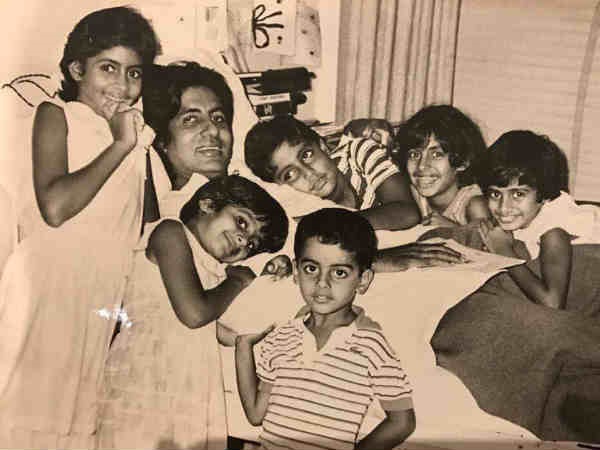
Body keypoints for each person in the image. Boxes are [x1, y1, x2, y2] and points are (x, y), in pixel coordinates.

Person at [0, 7, 160, 448]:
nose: (122, 85)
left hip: (101, 291)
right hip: (51, 285)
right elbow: (55, 207)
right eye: (108, 68)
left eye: (134, 73)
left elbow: (141, 225)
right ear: (76, 70)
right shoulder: (57, 114)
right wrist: (121, 145)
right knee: (28, 416)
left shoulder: (134, 134)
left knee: (74, 422)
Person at [96, 175, 288, 449]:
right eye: (242, 222)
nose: (242, 240)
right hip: (146, 379)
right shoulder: (170, 233)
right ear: (207, 205)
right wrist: (237, 282)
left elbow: (215, 330)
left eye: (251, 245)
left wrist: (267, 277)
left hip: (188, 388)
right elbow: (195, 314)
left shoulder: (214, 270)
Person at [235, 208, 416, 450]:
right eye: (311, 269)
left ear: (363, 280)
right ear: (296, 271)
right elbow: (256, 414)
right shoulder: (281, 337)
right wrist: (243, 345)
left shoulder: (371, 345)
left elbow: (402, 422)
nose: (322, 283)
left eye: (339, 273)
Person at [478, 130, 600, 309]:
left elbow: (552, 303)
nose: (503, 208)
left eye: (518, 194)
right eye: (496, 194)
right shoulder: (524, 213)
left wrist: (504, 252)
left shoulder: (554, 231)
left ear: (543, 194)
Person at [244, 115, 421, 231]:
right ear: (282, 186)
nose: (309, 174)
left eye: (306, 155)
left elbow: (407, 213)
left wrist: (334, 223)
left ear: (322, 146)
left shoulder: (359, 151)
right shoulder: (299, 206)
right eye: (290, 175)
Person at [142, 61, 235, 217]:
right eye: (191, 119)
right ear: (162, 140)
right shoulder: (174, 219)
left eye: (218, 118)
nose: (213, 130)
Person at [393, 104, 490, 227]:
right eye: (414, 154)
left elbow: (487, 238)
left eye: (436, 155)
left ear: (463, 162)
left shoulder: (474, 204)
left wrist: (452, 229)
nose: (422, 165)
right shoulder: (412, 194)